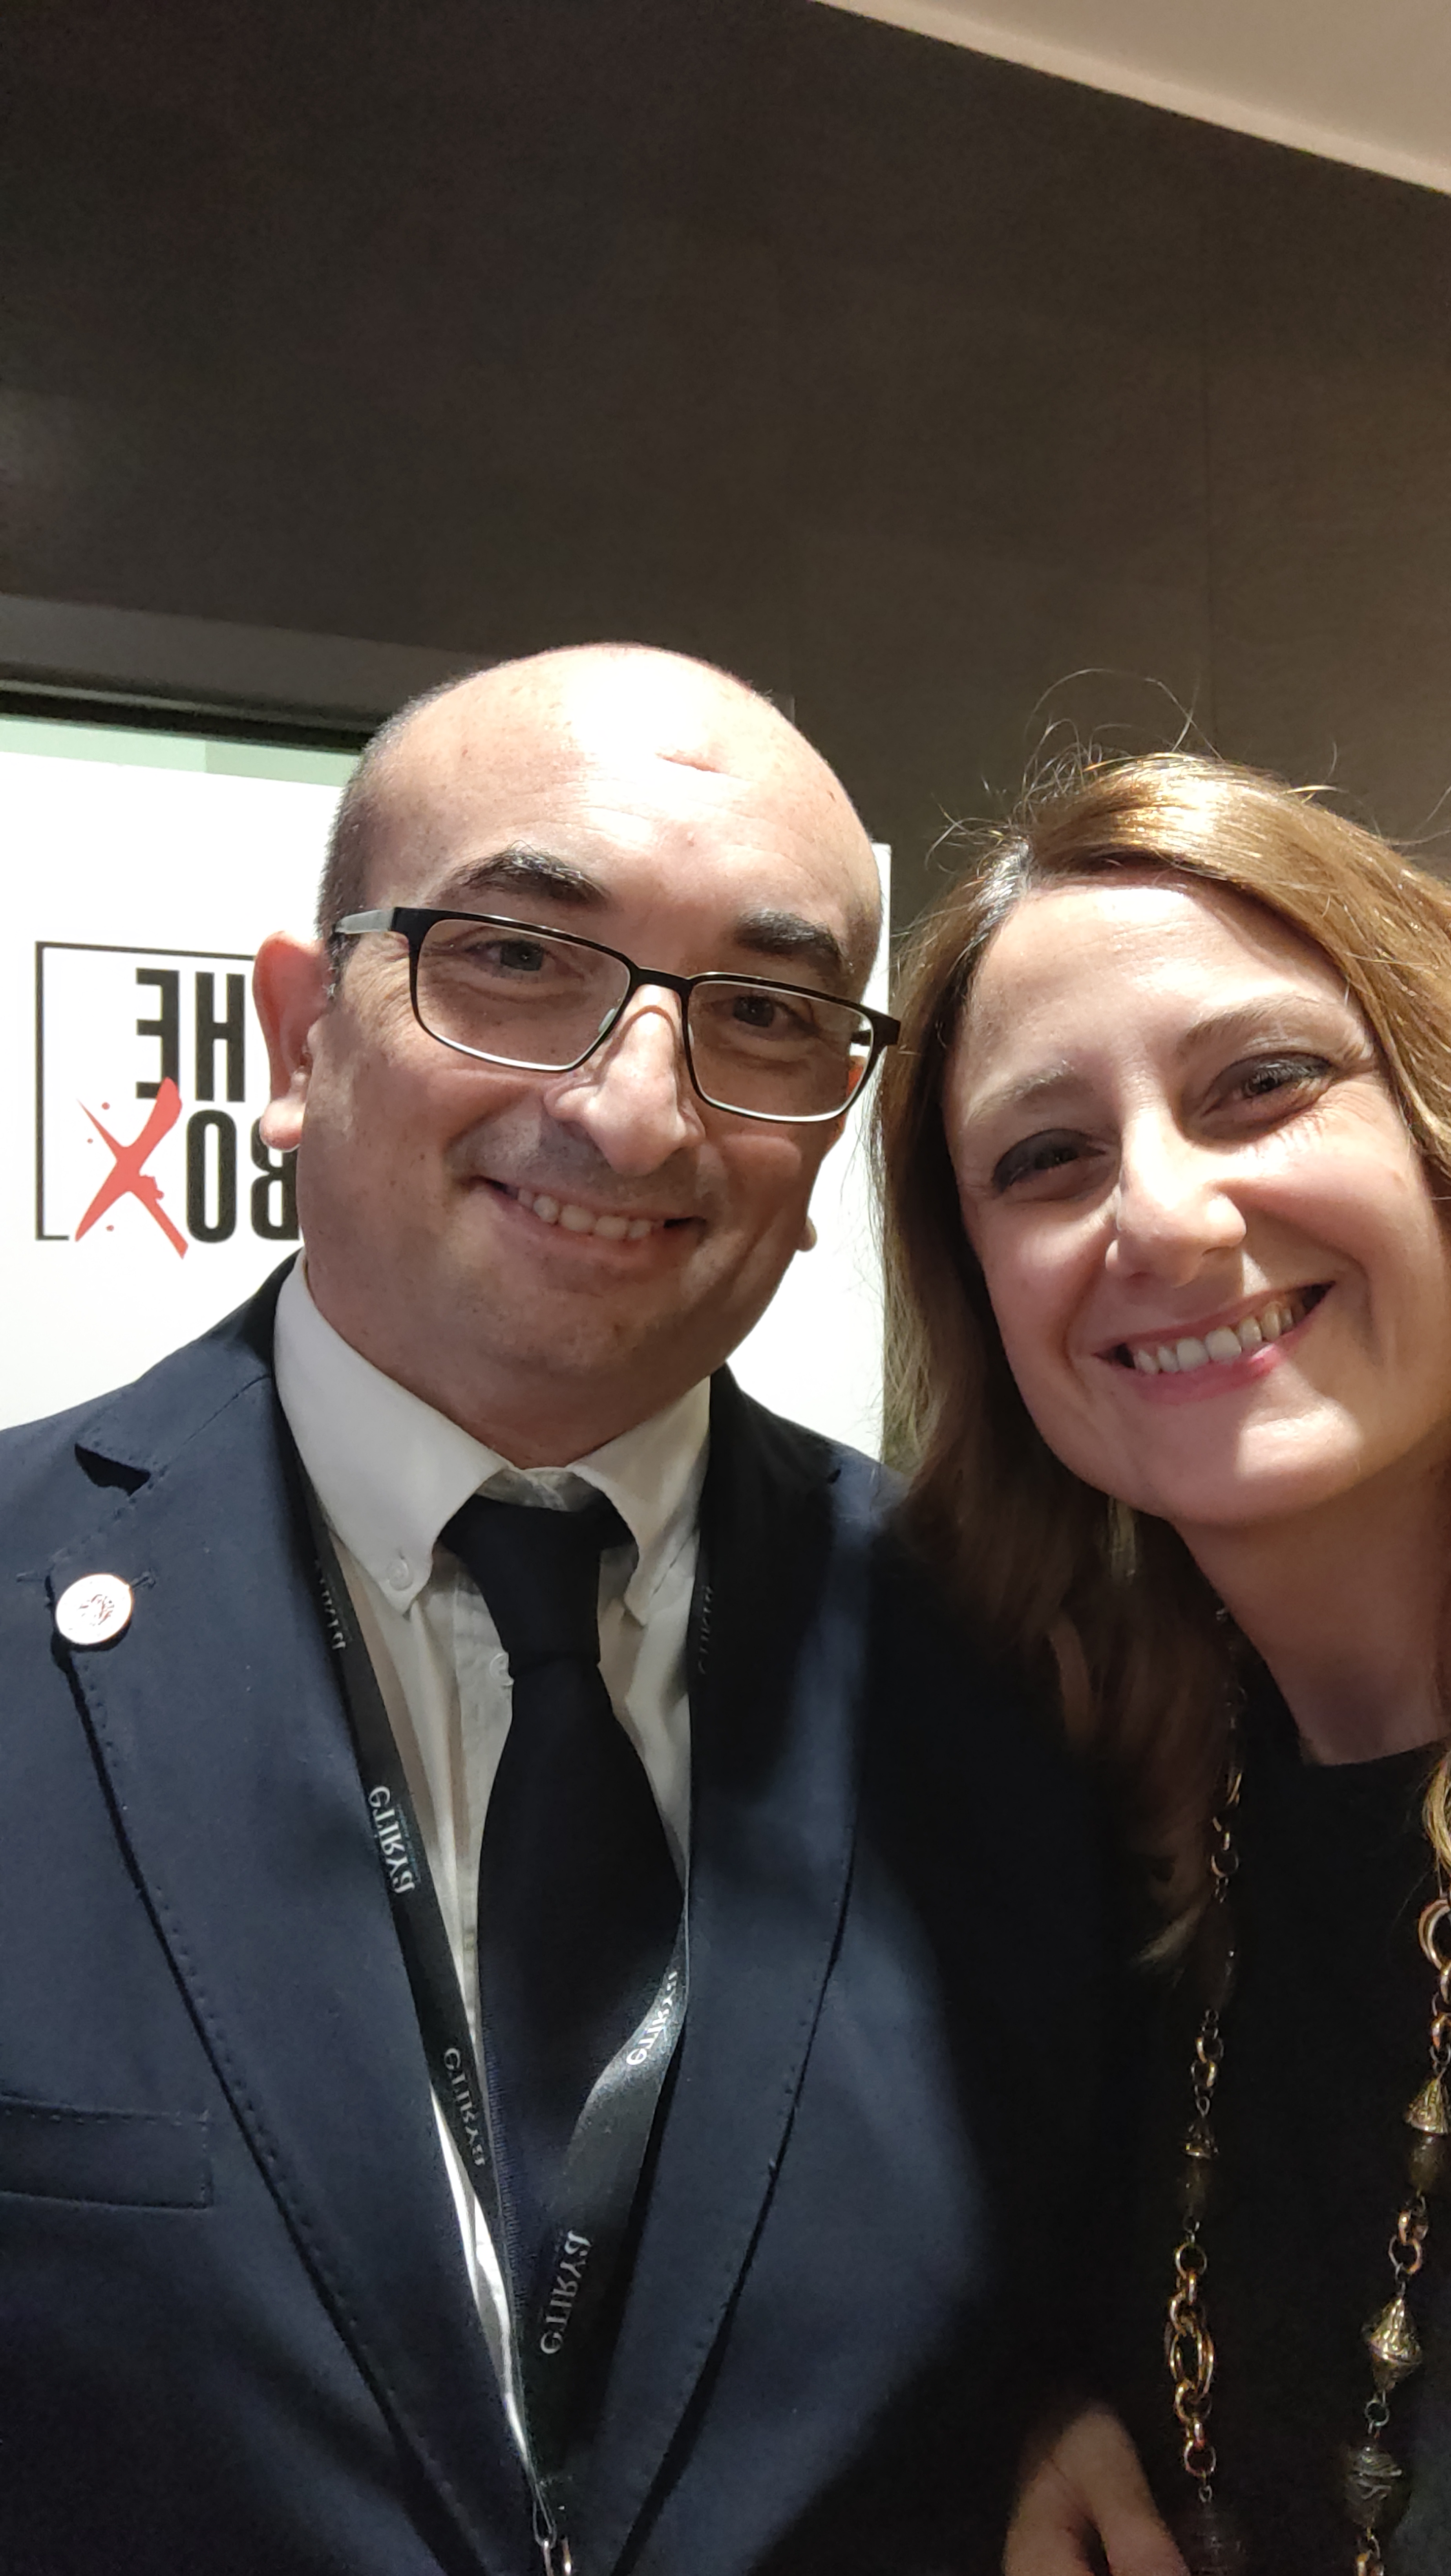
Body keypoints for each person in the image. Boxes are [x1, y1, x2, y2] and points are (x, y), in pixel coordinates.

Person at [0, 644, 1100, 2576]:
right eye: (514, 956)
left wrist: (1089, 2391)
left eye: (764, 1012)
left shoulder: (1016, 1658)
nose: (635, 1111)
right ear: (296, 1036)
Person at [875, 750, 1451, 2576]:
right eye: (1045, 1156)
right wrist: (1036, 2401)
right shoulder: (1104, 1833)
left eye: (1261, 1083)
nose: (1168, 1214)